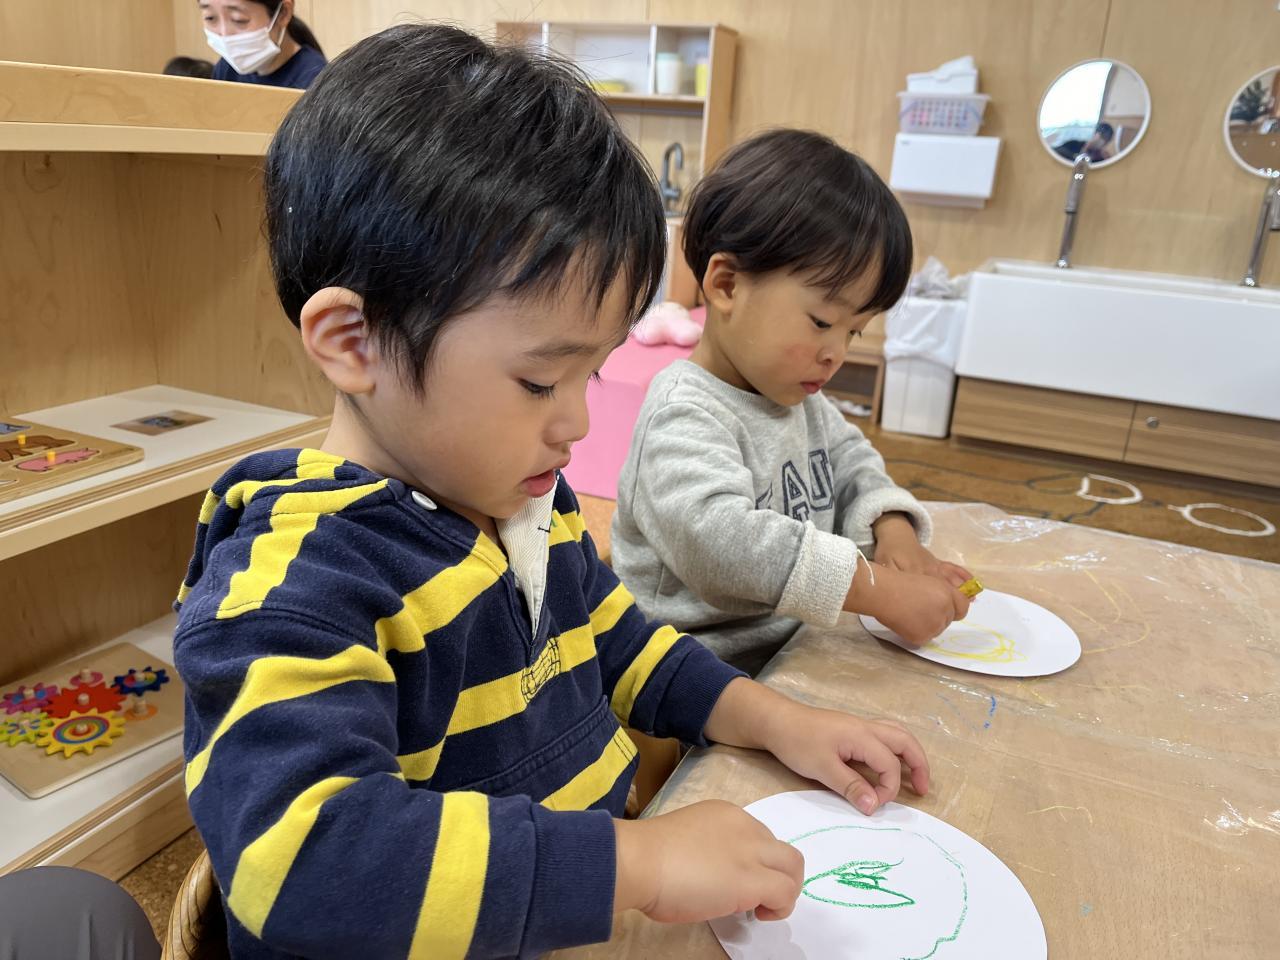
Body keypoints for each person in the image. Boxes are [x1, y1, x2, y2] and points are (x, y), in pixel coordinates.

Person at [165, 24, 930, 959]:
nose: (577, 424)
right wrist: (639, 864)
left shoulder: (523, 499)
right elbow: (308, 864)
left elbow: (620, 645)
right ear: (354, 341)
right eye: (539, 381)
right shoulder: (290, 590)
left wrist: (781, 721)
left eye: (591, 373)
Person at [610, 129, 974, 676]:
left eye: (853, 331)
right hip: (690, 676)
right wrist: (875, 588)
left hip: (790, 652)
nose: (836, 354)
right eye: (823, 322)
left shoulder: (797, 401)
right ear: (727, 285)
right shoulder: (684, 412)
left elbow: (852, 461)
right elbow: (722, 545)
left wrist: (893, 530)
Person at [199, 0, 325, 89]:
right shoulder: (226, 69)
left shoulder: (315, 78)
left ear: (283, 13)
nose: (224, 34)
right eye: (210, 18)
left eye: (239, 19)